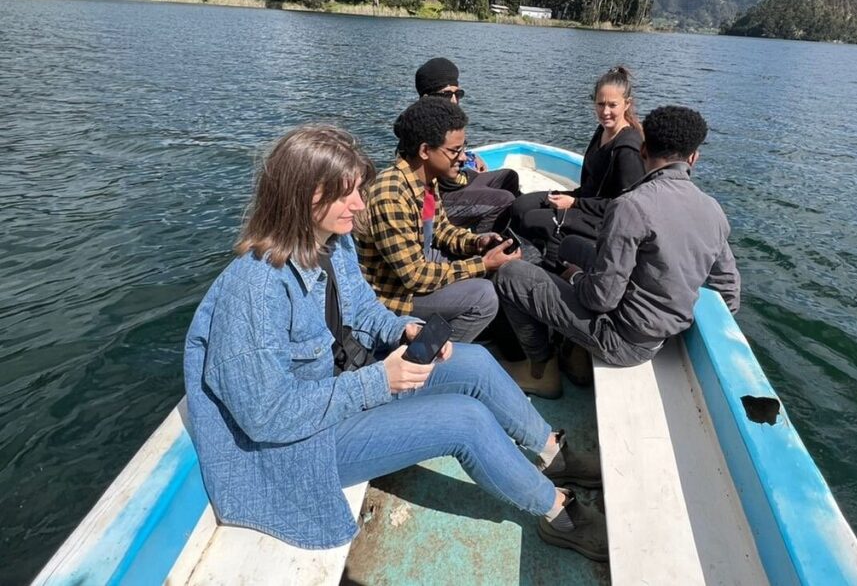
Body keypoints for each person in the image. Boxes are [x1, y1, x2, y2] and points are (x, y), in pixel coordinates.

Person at [183, 125, 608, 562]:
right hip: (303, 444)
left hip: (347, 383)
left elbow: (365, 310)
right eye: (347, 194)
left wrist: (404, 329)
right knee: (464, 420)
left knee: (477, 361)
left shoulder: (333, 241)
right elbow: (266, 417)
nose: (360, 205)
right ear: (306, 197)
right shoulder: (253, 290)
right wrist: (378, 381)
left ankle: (551, 452)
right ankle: (557, 513)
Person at [495, 106, 741, 395]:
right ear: (693, 157)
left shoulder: (631, 206)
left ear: (644, 150)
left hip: (622, 340)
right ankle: (575, 355)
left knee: (511, 273)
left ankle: (542, 372)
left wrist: (574, 278)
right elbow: (729, 293)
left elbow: (600, 298)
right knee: (572, 246)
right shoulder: (712, 209)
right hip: (662, 333)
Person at [356, 98, 519, 342]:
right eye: (455, 151)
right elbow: (414, 277)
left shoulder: (426, 179)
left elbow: (441, 230)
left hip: (415, 268)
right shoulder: (390, 194)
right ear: (424, 151)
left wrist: (478, 243)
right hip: (395, 296)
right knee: (483, 297)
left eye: (464, 148)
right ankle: (428, 361)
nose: (464, 158)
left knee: (496, 268)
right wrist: (482, 264)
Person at [509, 65, 645, 272]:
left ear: (627, 104)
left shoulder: (628, 149)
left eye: (612, 105)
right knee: (521, 205)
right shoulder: (602, 131)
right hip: (583, 200)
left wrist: (574, 203)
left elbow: (624, 207)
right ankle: (540, 249)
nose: (605, 112)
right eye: (600, 104)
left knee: (533, 219)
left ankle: (555, 267)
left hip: (603, 218)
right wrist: (575, 200)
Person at [415, 57, 520, 233]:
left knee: (509, 177)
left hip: (453, 181)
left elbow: (452, 157)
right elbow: (448, 183)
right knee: (503, 199)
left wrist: (470, 158)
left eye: (458, 94)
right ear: (427, 98)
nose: (454, 101)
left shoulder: (446, 120)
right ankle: (484, 248)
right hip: (435, 198)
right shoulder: (421, 128)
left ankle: (512, 226)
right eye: (447, 94)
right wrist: (468, 169)